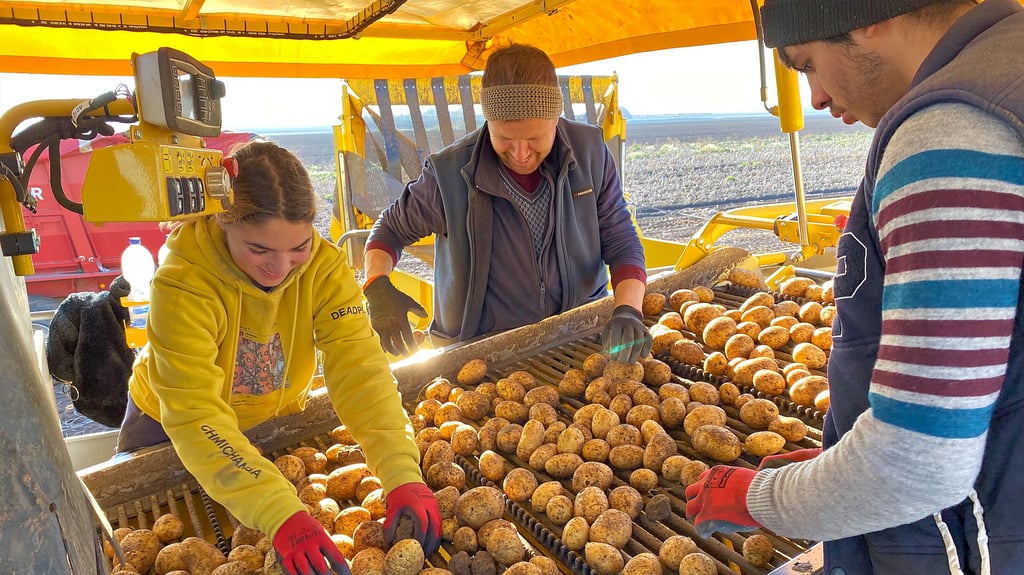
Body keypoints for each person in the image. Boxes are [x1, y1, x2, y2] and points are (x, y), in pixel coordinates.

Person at [684, 1, 1024, 573]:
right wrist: (839, 457)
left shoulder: (950, 134)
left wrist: (756, 498)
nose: (814, 96)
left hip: (975, 539)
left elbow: (918, 464)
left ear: (867, 15)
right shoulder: (1008, 71)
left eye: (808, 63)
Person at [116, 141, 441, 575]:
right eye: (259, 249)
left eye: (298, 246)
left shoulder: (322, 270)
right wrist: (276, 509)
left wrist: (401, 469)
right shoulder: (184, 284)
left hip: (263, 421)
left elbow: (360, 369)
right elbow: (195, 417)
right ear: (222, 222)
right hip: (167, 428)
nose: (282, 266)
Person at [362, 43, 652, 364]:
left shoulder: (590, 154)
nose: (520, 153)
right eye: (504, 138)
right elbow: (388, 231)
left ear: (555, 118)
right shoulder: (449, 175)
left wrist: (628, 309)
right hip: (480, 356)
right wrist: (377, 285)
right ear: (489, 123)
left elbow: (621, 239)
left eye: (534, 138)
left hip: (577, 338)